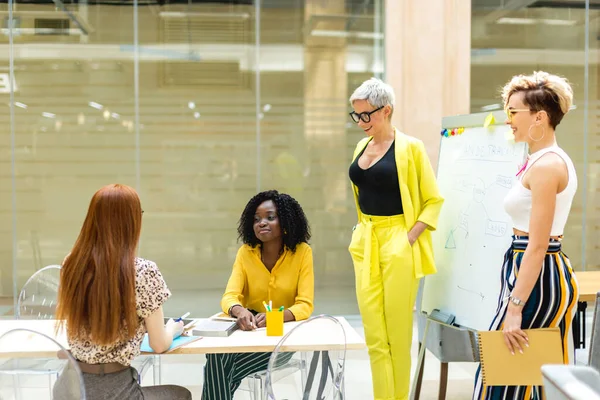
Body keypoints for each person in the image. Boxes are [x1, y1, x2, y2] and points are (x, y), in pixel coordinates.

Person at [473, 71, 580, 400]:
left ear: (540, 117)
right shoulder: (538, 160)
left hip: (537, 273)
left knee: (503, 378)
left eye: (512, 112)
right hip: (533, 271)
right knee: (524, 379)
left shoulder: (548, 166)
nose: (507, 121)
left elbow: (537, 245)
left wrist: (515, 307)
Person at [347, 77, 444, 400]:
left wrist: (409, 238)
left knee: (398, 335)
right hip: (367, 239)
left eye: (366, 115)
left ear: (386, 110)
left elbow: (433, 200)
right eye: (356, 116)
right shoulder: (362, 146)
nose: (361, 123)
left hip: (398, 239)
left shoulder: (410, 148)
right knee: (374, 335)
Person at [54, 184, 192, 399]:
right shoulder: (143, 271)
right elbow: (158, 344)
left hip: (69, 388)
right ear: (131, 221)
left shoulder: (71, 264)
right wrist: (173, 329)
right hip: (114, 390)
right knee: (180, 395)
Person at [202, 190, 314, 400]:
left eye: (270, 217)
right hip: (248, 333)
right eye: (256, 219)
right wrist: (239, 310)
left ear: (286, 220)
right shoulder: (246, 252)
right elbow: (229, 297)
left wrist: (278, 316)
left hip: (282, 337)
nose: (262, 223)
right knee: (218, 357)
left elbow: (305, 305)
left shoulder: (302, 252)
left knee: (220, 365)